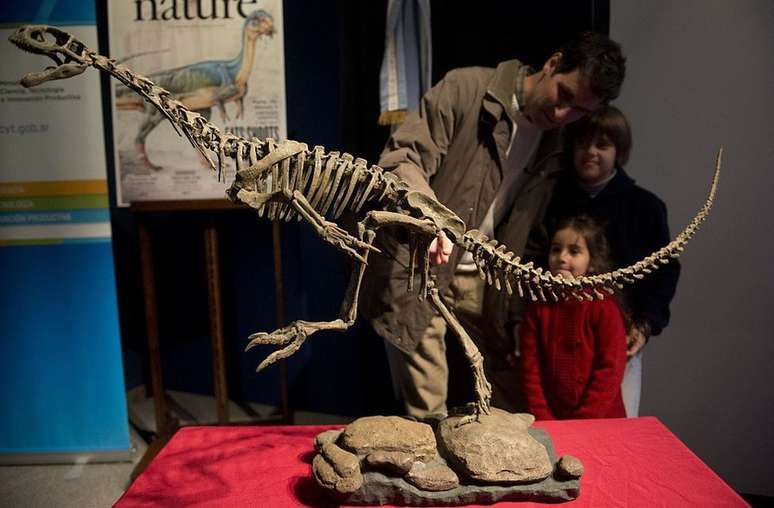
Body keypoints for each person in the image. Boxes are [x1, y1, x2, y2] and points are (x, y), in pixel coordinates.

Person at [359, 32, 626, 418]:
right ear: (552, 64)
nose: (562, 114)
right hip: (422, 265)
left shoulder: (557, 141)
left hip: (486, 278)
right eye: (564, 95)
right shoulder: (467, 88)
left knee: (509, 399)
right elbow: (403, 158)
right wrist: (428, 215)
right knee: (428, 407)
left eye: (579, 111)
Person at [538, 105, 680, 416]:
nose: (589, 152)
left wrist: (646, 324)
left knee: (615, 430)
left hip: (621, 343)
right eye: (581, 143)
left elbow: (664, 274)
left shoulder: (645, 207)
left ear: (619, 150)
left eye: (602, 145)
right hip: (555, 346)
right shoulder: (550, 201)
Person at [520, 215, 627, 419]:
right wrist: (545, 419)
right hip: (553, 422)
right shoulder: (538, 309)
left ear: (592, 261)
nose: (562, 257)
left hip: (602, 422)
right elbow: (530, 371)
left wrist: (584, 422)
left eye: (574, 251)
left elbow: (610, 371)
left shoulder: (604, 307)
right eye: (556, 249)